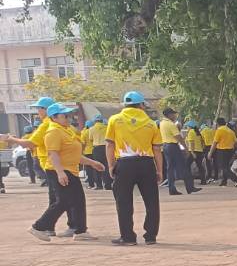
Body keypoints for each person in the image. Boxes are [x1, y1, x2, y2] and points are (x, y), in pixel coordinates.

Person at [25, 102, 104, 241]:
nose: (68, 118)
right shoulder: (53, 131)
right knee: (64, 201)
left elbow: (73, 154)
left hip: (70, 170)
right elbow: (53, 154)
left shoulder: (66, 130)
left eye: (68, 115)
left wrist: (93, 163)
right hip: (59, 170)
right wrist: (60, 173)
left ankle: (80, 231)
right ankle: (39, 226)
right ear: (54, 118)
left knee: (78, 200)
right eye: (64, 116)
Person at [106, 92, 164, 245]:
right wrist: (159, 170)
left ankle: (128, 237)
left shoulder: (115, 120)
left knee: (123, 201)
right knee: (151, 201)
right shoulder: (151, 123)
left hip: (124, 164)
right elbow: (157, 149)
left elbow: (110, 144)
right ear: (141, 105)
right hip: (146, 164)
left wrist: (111, 165)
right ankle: (150, 236)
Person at [159, 107, 197, 195]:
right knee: (183, 166)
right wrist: (186, 149)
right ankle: (190, 187)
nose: (175, 116)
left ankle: (172, 189)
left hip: (166, 146)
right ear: (168, 115)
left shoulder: (162, 123)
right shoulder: (170, 124)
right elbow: (178, 137)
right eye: (173, 114)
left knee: (170, 168)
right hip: (173, 146)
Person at [210, 117, 237, 186]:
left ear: (218, 123)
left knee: (223, 167)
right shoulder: (230, 131)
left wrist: (210, 153)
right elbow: (236, 142)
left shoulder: (219, 130)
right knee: (226, 166)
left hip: (222, 150)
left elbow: (215, 143)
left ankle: (235, 179)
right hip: (230, 150)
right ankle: (224, 181)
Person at [184, 120, 207, 184]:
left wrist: (192, 152)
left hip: (193, 151)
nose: (187, 128)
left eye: (187, 127)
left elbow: (191, 143)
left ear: (190, 127)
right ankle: (203, 181)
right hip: (200, 151)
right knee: (200, 166)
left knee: (186, 166)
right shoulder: (198, 132)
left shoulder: (191, 132)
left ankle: (189, 180)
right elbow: (202, 142)